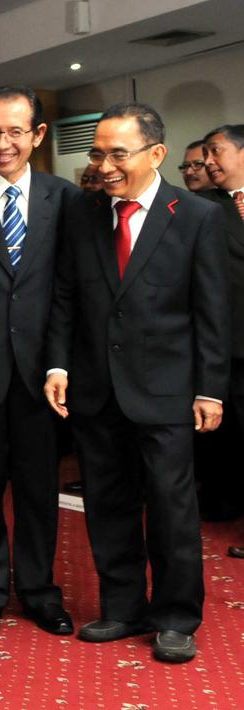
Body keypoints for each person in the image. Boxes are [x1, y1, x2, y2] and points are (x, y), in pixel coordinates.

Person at [45, 102, 229, 663]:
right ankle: (123, 607)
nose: (104, 165)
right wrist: (59, 366)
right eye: (97, 153)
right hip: (97, 389)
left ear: (156, 154)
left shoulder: (197, 215)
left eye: (117, 154)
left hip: (168, 389)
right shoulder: (83, 213)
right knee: (107, 503)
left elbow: (213, 309)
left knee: (173, 510)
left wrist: (211, 387)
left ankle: (176, 617)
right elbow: (66, 296)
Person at [0, 86, 80, 640]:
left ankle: (39, 591)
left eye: (15, 132)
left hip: (41, 377)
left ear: (38, 135)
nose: (3, 144)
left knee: (36, 492)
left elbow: (69, 291)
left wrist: (59, 363)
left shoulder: (66, 199)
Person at [198, 124, 244, 533]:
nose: (208, 162)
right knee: (230, 438)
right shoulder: (203, 208)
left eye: (217, 152)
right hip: (229, 344)